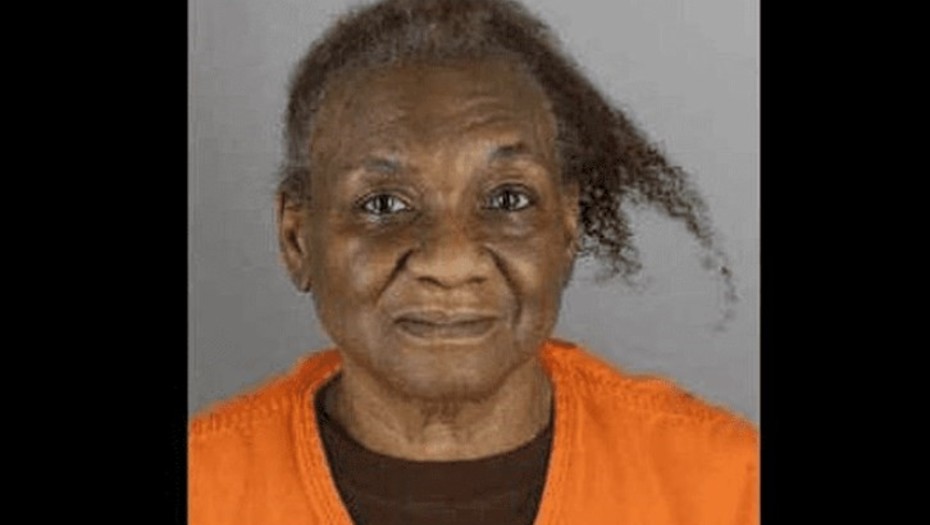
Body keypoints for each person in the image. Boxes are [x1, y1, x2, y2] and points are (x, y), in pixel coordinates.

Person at [188, 0, 758, 523]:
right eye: (383, 204)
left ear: (567, 227)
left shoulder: (728, 489)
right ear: (297, 239)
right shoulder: (204, 489)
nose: (451, 261)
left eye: (507, 199)